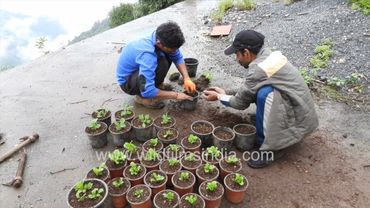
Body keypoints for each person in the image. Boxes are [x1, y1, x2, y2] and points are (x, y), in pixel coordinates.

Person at [202, 30, 319, 168]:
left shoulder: (259, 69)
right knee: (263, 91)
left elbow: (239, 103)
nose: (236, 58)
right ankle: (264, 122)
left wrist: (219, 97)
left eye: (237, 54)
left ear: (246, 52)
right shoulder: (267, 55)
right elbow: (249, 88)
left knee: (265, 94)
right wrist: (225, 92)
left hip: (298, 118)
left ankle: (272, 148)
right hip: (299, 109)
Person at [116, 21, 196, 109]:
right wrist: (176, 95)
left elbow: (177, 57)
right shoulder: (147, 54)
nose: (175, 51)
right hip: (128, 82)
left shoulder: (161, 36)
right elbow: (147, 90)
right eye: (172, 49)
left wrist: (186, 78)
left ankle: (157, 85)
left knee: (167, 55)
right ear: (158, 43)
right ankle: (142, 98)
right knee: (162, 62)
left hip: (139, 69)